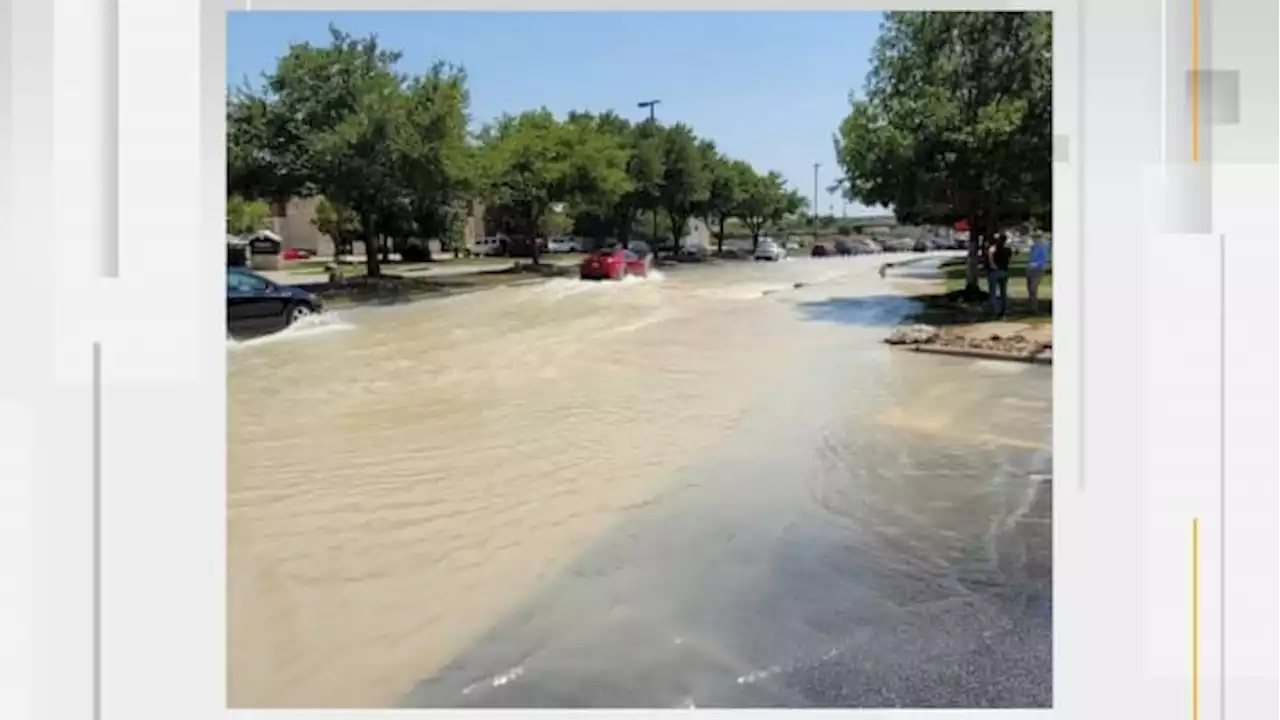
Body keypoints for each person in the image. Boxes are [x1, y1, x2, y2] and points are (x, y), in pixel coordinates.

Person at [986, 233, 1013, 319]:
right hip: (1004, 271)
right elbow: (1010, 260)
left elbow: (990, 260)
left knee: (993, 292)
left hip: (994, 272)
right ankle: (1003, 310)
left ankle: (994, 311)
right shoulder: (1008, 249)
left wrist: (994, 267)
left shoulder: (993, 249)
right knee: (1003, 292)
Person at [1026, 235, 1050, 314]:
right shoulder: (1033, 248)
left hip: (1037, 270)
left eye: (1034, 239)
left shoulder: (1042, 248)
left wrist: (1037, 265)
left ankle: (1034, 309)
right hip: (1030, 269)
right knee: (1030, 289)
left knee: (1033, 289)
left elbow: (1043, 260)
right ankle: (1031, 307)